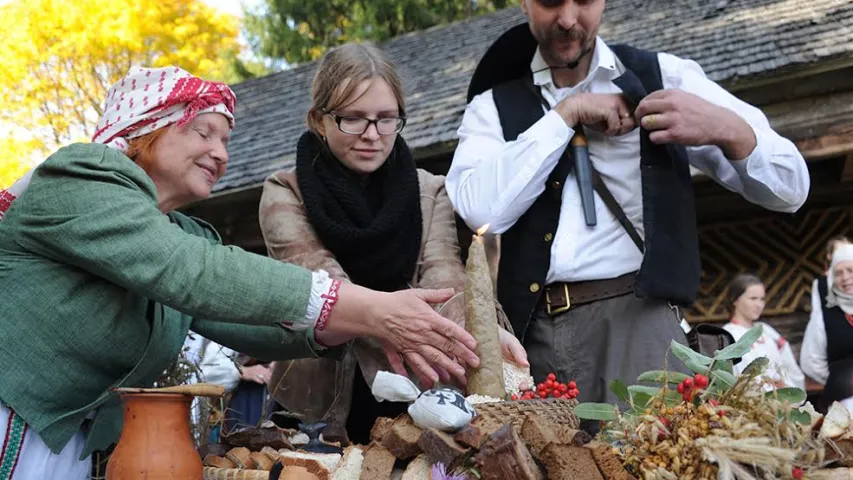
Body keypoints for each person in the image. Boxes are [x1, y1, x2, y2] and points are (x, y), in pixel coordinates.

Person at [0, 66, 479, 479]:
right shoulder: (83, 176)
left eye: (226, 141)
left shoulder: (179, 232)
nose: (222, 154)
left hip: (66, 439)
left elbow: (240, 321)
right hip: (11, 415)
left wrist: (361, 327)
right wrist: (370, 307)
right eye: (204, 132)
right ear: (148, 130)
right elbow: (194, 271)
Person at [446, 0, 810, 406]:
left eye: (583, 1)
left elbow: (791, 188)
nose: (567, 20)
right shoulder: (491, 107)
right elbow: (480, 211)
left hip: (643, 326)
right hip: (532, 337)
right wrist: (566, 115)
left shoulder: (664, 76)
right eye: (550, 2)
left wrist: (727, 129)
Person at [259, 43, 528, 445]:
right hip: (316, 400)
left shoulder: (429, 190)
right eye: (352, 118)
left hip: (417, 391)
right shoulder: (286, 192)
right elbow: (323, 290)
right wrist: (394, 319)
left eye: (386, 119)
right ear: (319, 120)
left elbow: (443, 277)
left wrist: (479, 334)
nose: (372, 135)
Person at [722, 274, 805, 389]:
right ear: (735, 300)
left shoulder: (766, 330)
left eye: (762, 299)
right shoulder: (728, 334)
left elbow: (789, 365)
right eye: (753, 299)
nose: (759, 305)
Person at [801, 244, 853, 415]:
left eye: (850, 270)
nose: (845, 278)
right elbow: (811, 360)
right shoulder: (824, 315)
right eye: (838, 273)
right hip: (847, 402)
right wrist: (839, 379)